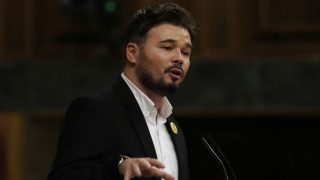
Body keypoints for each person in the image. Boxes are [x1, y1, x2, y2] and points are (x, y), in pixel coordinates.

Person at [48, 2, 196, 180]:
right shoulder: (94, 111)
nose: (179, 58)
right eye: (167, 47)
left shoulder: (174, 129)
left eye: (186, 52)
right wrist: (118, 167)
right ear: (132, 53)